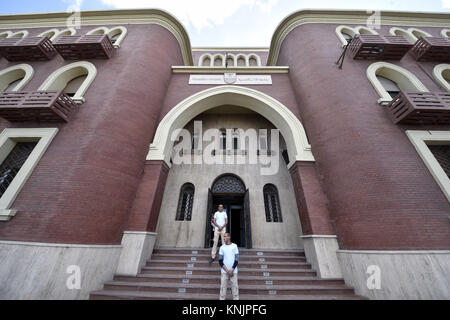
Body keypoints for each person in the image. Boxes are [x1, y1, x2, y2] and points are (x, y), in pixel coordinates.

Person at [218, 233, 239, 300]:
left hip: (234, 272)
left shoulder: (234, 246)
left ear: (229, 237)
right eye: (223, 236)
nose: (224, 238)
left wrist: (232, 270)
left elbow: (236, 260)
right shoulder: (222, 247)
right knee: (222, 290)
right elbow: (220, 261)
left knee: (235, 290)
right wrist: (227, 271)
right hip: (224, 272)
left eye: (225, 236)